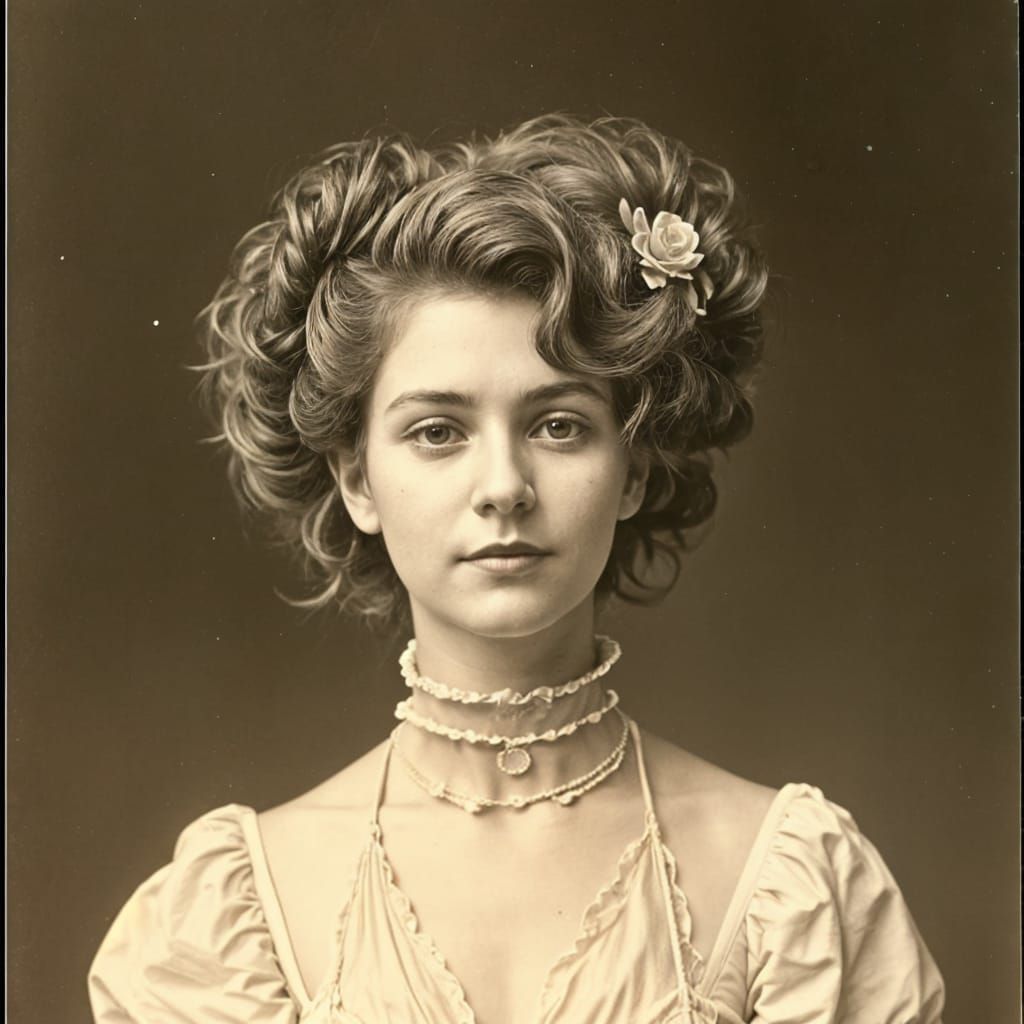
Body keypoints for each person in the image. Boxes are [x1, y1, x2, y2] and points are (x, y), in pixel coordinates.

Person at [87, 113, 946, 1023]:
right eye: (437, 432)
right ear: (357, 481)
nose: (504, 486)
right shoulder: (237, 915)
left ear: (633, 471)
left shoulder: (788, 884)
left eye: (558, 425)